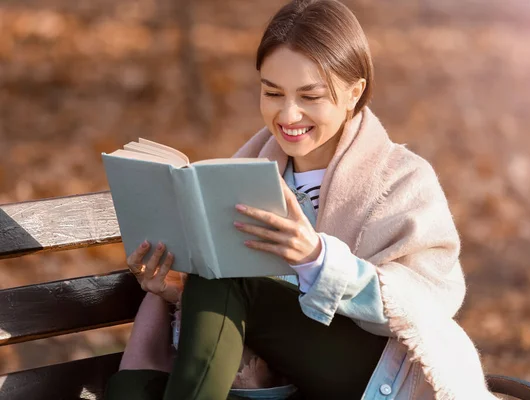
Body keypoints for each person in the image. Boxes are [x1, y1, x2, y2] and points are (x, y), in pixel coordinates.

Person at [105, 0, 499, 399]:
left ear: (353, 93)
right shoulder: (245, 172)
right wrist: (173, 286)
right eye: (272, 92)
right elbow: (247, 311)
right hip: (278, 380)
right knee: (138, 390)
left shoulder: (402, 179)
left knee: (226, 281)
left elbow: (429, 302)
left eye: (310, 96)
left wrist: (317, 258)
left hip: (381, 374)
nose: (288, 115)